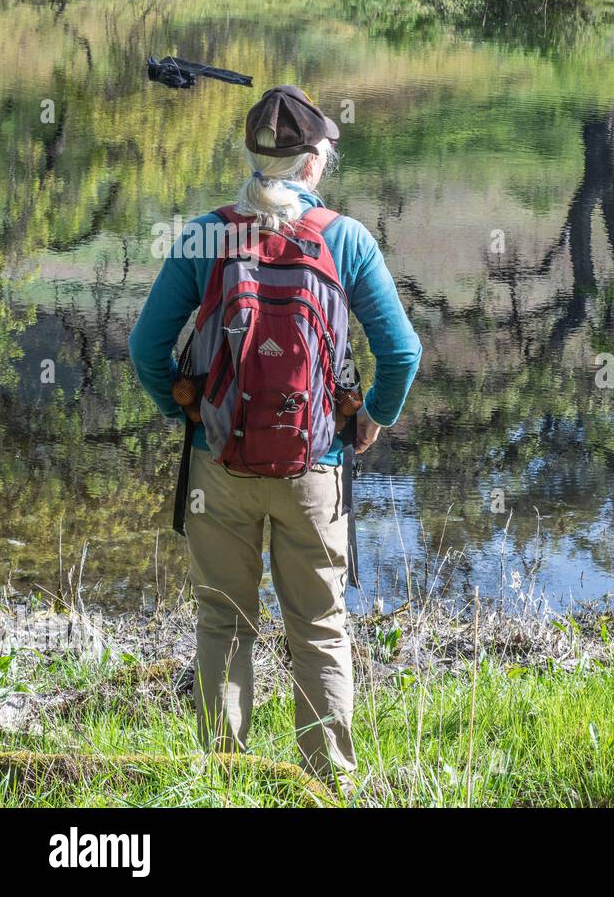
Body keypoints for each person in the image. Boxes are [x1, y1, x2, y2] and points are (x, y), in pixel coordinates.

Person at [129, 85, 422, 784]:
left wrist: (192, 416)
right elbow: (402, 354)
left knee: (224, 623)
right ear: (313, 165)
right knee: (319, 630)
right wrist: (372, 417)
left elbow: (146, 350)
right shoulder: (345, 239)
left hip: (219, 469)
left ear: (252, 157)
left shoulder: (206, 234)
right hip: (313, 467)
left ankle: (223, 784)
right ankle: (329, 784)